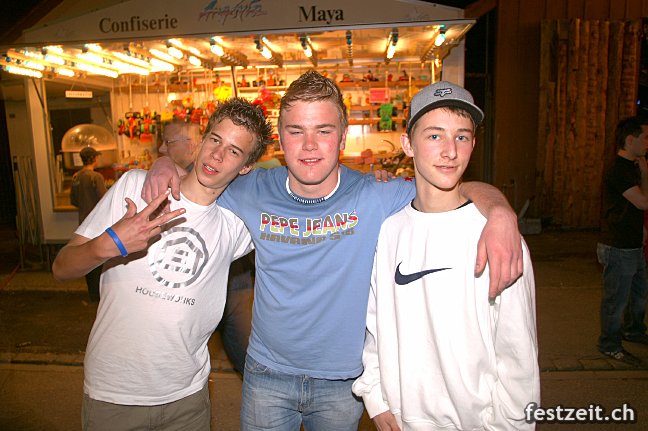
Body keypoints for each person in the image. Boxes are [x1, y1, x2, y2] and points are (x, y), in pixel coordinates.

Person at [143, 71, 523, 430]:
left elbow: (452, 187)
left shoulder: (376, 195)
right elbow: (198, 179)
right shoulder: (251, 189)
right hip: (266, 375)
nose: (309, 145)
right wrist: (162, 165)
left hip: (343, 383)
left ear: (342, 138)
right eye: (297, 131)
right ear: (281, 139)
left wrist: (500, 211)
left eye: (323, 131)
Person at [52, 98, 272, 431]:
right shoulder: (134, 186)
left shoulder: (235, 225)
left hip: (188, 400)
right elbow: (61, 268)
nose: (217, 155)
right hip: (115, 394)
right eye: (215, 140)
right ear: (201, 140)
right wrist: (105, 245)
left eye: (233, 151)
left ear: (245, 167)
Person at [352, 81, 540, 430]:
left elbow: (518, 352)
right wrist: (375, 397)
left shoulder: (497, 236)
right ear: (408, 144)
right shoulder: (390, 230)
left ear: (473, 144)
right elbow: (376, 325)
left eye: (462, 136)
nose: (450, 151)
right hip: (402, 421)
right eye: (435, 135)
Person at [597, 116, 648, 366]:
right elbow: (643, 202)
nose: (647, 143)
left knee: (639, 294)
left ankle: (634, 330)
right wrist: (646, 173)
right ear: (630, 140)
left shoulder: (633, 166)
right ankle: (609, 344)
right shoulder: (618, 169)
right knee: (615, 300)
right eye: (645, 138)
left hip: (633, 244)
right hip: (618, 246)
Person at [70, 146, 107, 302]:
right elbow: (105, 200)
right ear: (93, 159)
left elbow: (73, 200)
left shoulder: (76, 177)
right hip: (97, 223)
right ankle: (101, 294)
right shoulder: (96, 177)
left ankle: (92, 293)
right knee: (99, 257)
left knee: (87, 257)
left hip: (83, 224)